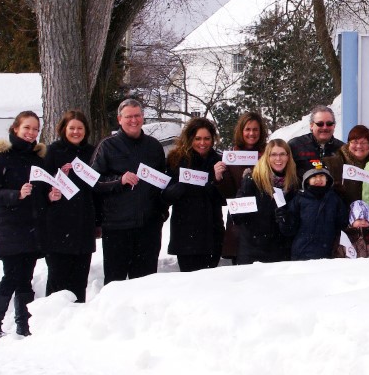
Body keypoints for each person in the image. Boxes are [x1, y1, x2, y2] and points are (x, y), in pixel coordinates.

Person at [0, 110, 46, 341]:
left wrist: (51, 195)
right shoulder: (0, 157)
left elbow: (42, 191)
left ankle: (24, 325)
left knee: (26, 277)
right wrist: (16, 195)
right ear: (15, 129)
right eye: (27, 128)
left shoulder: (38, 160)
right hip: (10, 227)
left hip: (32, 227)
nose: (31, 133)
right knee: (11, 275)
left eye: (35, 129)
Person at [92, 98, 168, 284]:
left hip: (148, 226)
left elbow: (163, 182)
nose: (133, 120)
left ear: (143, 117)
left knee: (145, 281)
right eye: (128, 117)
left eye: (137, 116)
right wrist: (119, 181)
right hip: (117, 227)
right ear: (119, 119)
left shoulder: (154, 146)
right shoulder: (107, 146)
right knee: (115, 281)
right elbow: (93, 181)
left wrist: (161, 213)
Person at [40, 109, 97, 302]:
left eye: (80, 128)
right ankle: (52, 320)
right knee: (58, 279)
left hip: (84, 225)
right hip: (58, 227)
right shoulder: (52, 152)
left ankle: (76, 321)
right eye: (71, 128)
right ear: (63, 129)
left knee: (80, 281)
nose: (76, 132)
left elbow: (99, 186)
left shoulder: (93, 152)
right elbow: (41, 185)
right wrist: (50, 195)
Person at [163, 117, 227, 272]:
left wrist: (217, 180)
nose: (202, 143)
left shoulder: (219, 161)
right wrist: (182, 184)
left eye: (207, 138)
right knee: (190, 285)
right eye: (198, 138)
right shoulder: (176, 160)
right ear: (190, 138)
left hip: (212, 231)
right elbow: (166, 195)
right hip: (185, 233)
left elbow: (225, 199)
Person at [216, 111, 268, 263]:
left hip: (264, 221)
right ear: (241, 131)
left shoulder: (269, 154)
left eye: (255, 129)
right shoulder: (232, 156)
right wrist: (219, 178)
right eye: (248, 129)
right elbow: (228, 194)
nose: (251, 133)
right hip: (240, 223)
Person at [234, 139, 297, 265]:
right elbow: (237, 217)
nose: (278, 158)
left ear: (288, 157)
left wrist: (285, 219)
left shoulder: (293, 184)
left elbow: (293, 224)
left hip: (280, 251)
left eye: (282, 154)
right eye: (273, 154)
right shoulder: (253, 180)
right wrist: (242, 203)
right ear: (266, 157)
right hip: (253, 250)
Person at [277, 163, 348, 261]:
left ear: (327, 179)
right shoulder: (299, 199)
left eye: (322, 176)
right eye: (314, 176)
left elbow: (342, 224)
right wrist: (283, 218)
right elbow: (289, 230)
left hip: (328, 252)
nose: (318, 179)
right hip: (303, 252)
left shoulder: (335, 199)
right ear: (307, 180)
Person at [325, 125, 369, 206]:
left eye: (363, 142)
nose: (359, 146)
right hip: (342, 214)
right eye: (355, 142)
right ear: (348, 144)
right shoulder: (334, 163)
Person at [289, 105, 345, 176]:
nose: (325, 127)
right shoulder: (295, 146)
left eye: (329, 124)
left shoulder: (343, 149)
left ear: (334, 126)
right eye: (320, 124)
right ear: (311, 125)